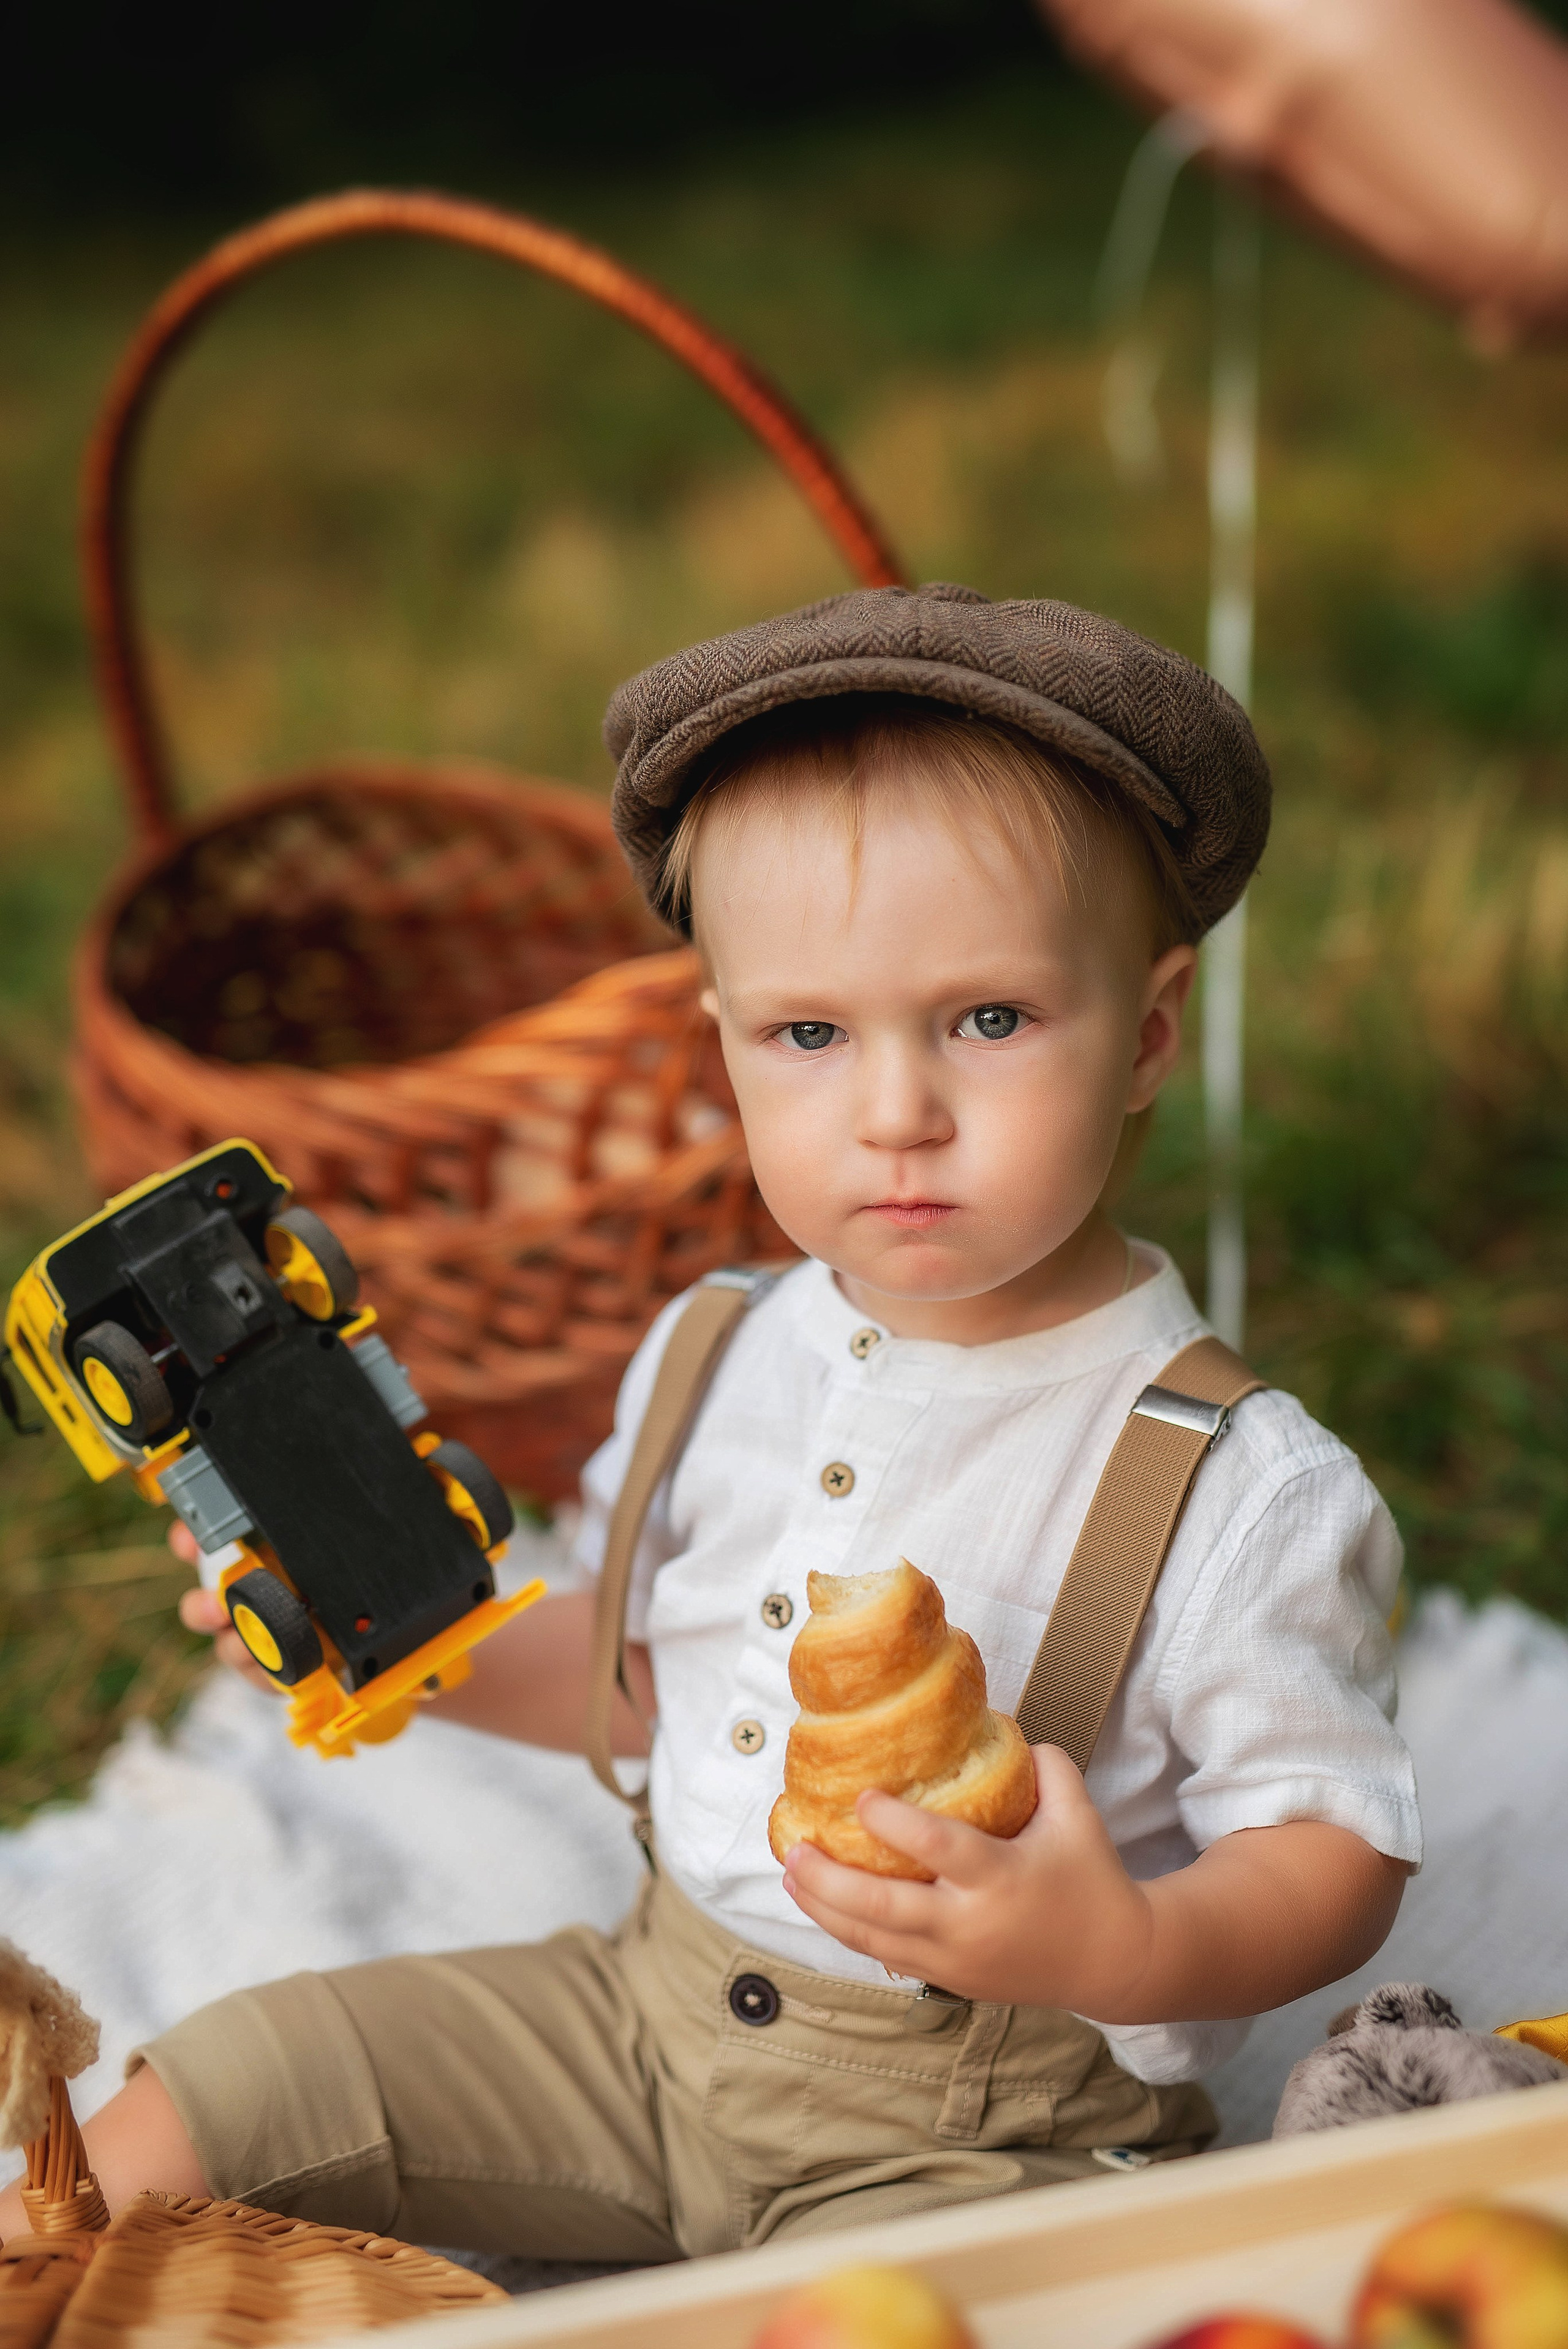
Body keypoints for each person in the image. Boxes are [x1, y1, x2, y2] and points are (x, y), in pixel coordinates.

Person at [0, 583, 1419, 2259]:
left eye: (989, 1019)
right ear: (726, 1050)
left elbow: (1334, 1841)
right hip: (637, 2016)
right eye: (812, 1034)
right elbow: (652, 1671)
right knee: (213, 2094)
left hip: (977, 2124)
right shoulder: (719, 1346)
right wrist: (398, 1645)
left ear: (1148, 1031)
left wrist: (1122, 1948)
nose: (898, 1113)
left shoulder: (1230, 1477)